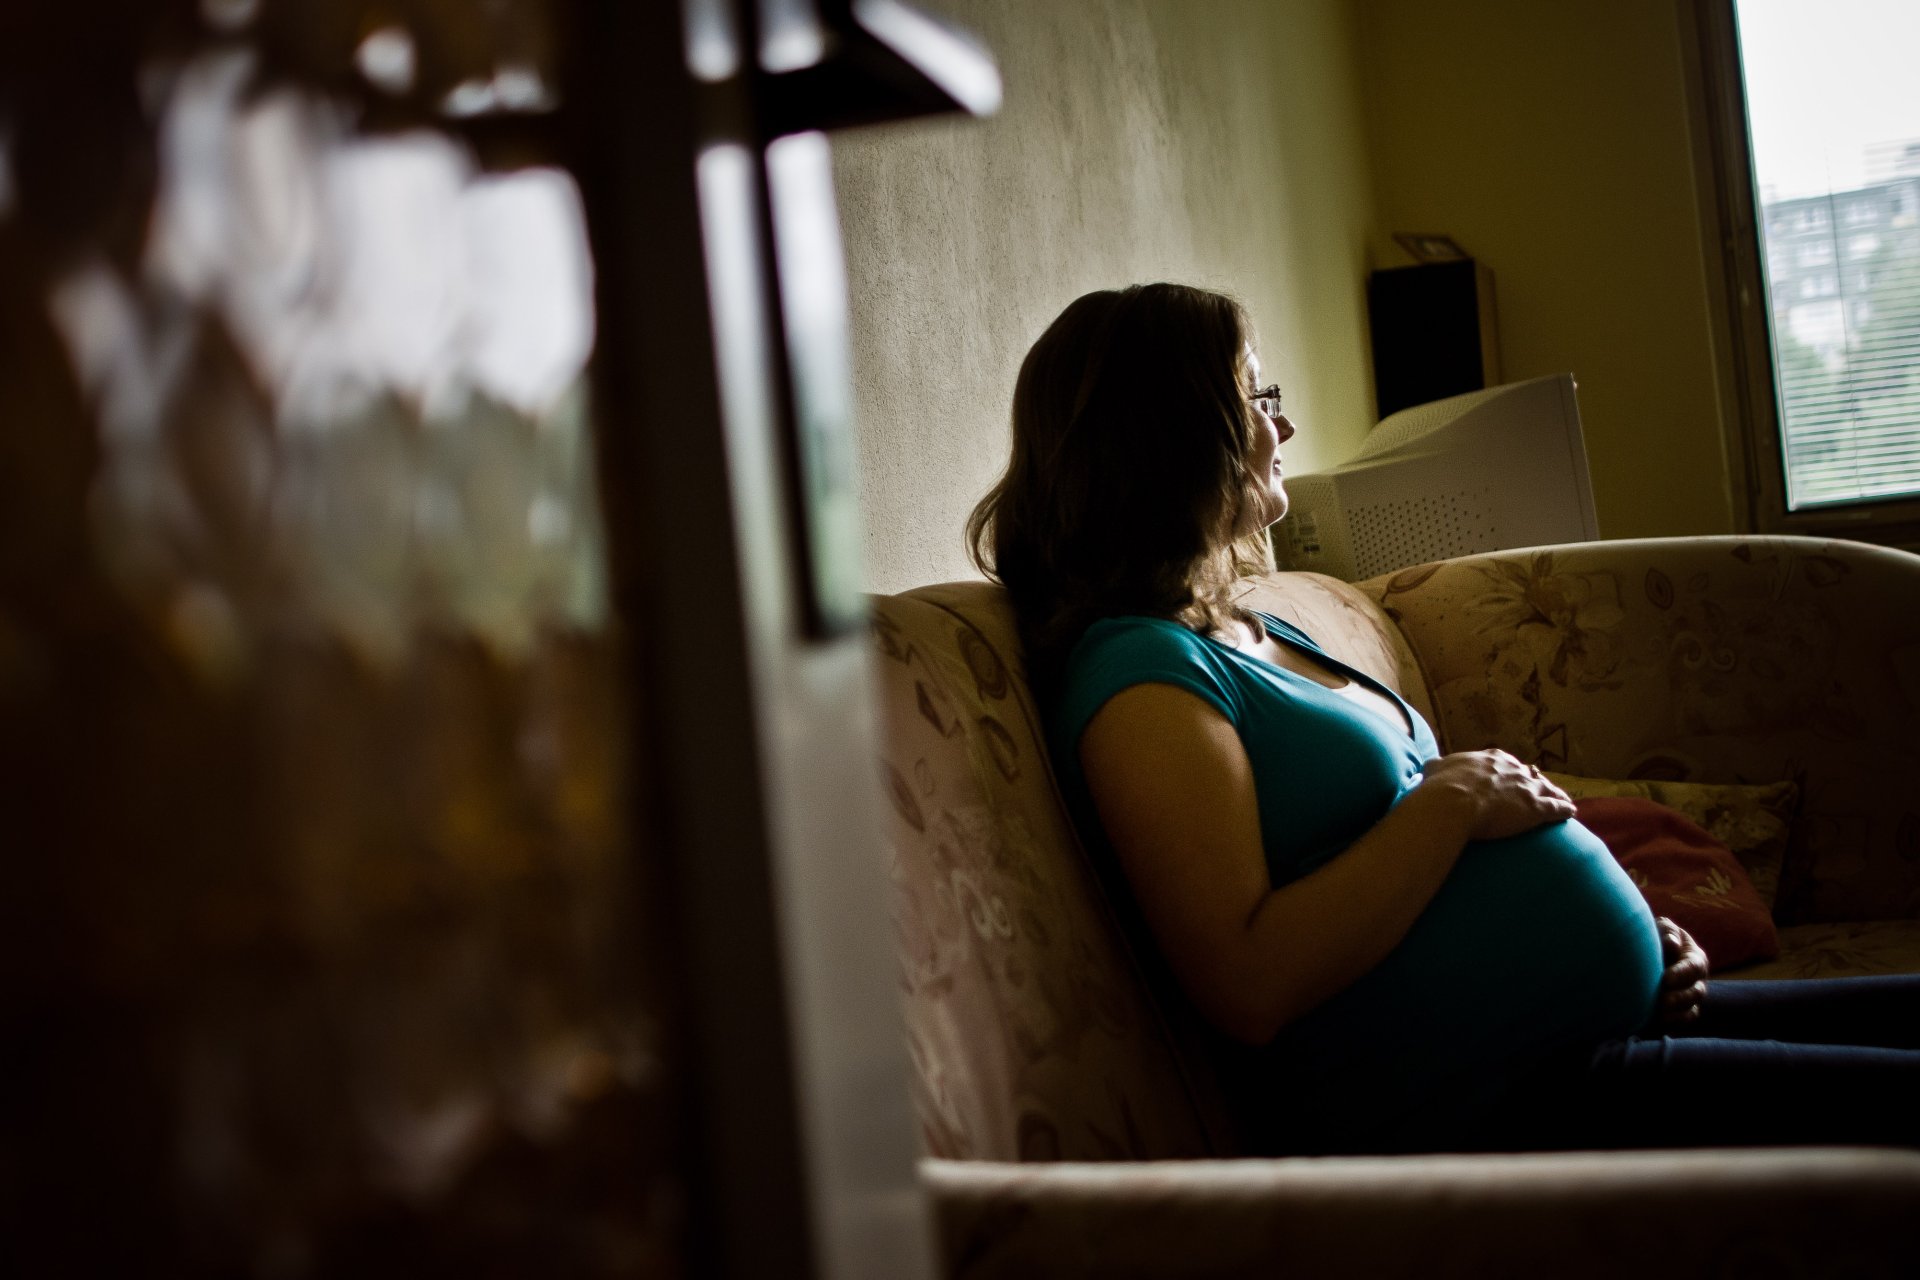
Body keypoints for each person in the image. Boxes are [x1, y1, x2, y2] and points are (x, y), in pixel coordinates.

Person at [966, 282, 1920, 1154]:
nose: (1283, 423)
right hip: (1505, 1093)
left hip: (1593, 1026)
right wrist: (1451, 806)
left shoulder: (1239, 627)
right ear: (1172, 434)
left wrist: (1637, 940)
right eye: (1256, 396)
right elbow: (1248, 980)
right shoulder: (1139, 675)